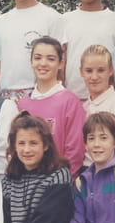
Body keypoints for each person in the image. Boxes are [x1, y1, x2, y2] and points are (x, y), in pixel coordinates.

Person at [17, 36, 86, 176]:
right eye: (38, 58)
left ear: (61, 63)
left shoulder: (70, 102)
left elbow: (75, 151)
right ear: (31, 62)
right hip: (27, 182)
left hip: (59, 182)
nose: (43, 63)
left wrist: (62, 180)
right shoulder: (22, 104)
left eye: (50, 59)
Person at [79, 44, 115, 164]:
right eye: (89, 71)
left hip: (111, 171)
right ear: (81, 71)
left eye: (100, 70)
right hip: (86, 171)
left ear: (110, 71)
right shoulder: (83, 107)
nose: (94, 77)